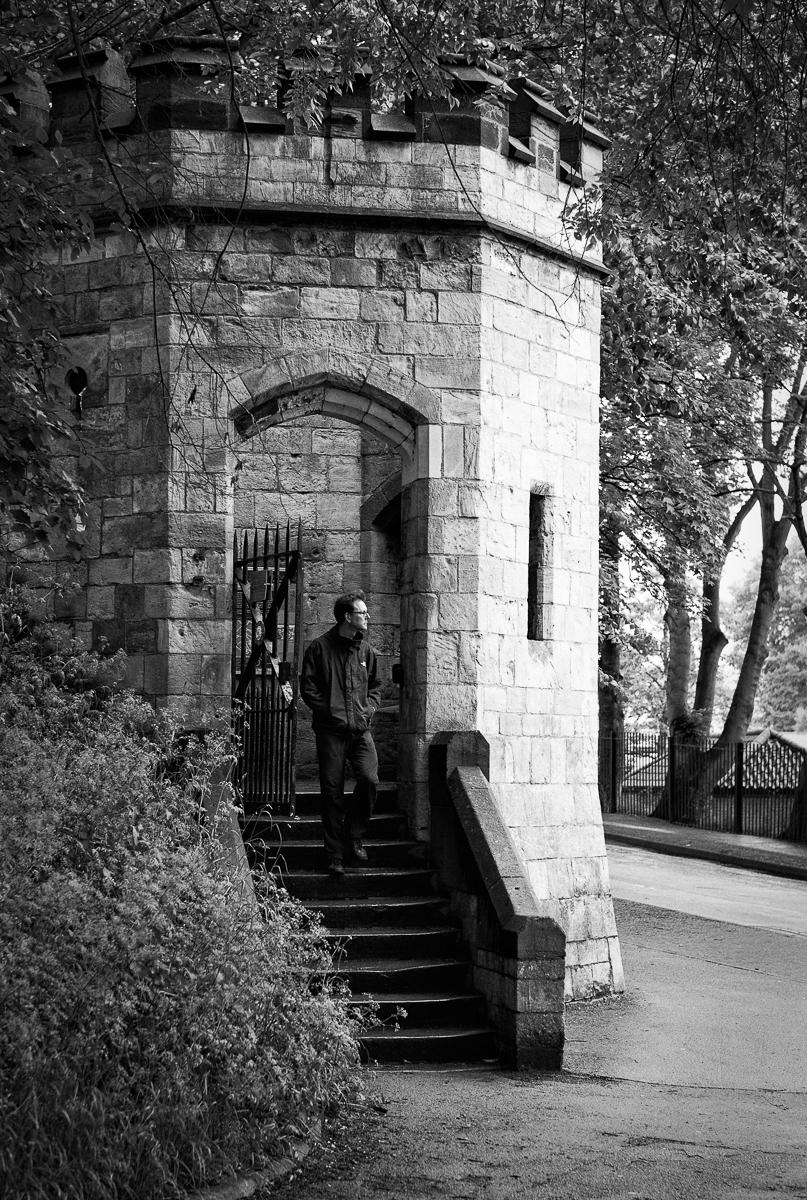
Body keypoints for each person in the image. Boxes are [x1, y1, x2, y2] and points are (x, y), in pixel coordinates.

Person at [300, 591, 381, 876]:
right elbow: (308, 689)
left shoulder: (365, 651)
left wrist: (368, 709)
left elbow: (375, 686)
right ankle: (335, 855)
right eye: (363, 613)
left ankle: (354, 834)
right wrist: (330, 712)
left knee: (369, 779)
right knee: (332, 793)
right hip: (330, 732)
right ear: (348, 617)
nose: (367, 617)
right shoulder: (319, 649)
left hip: (360, 731)